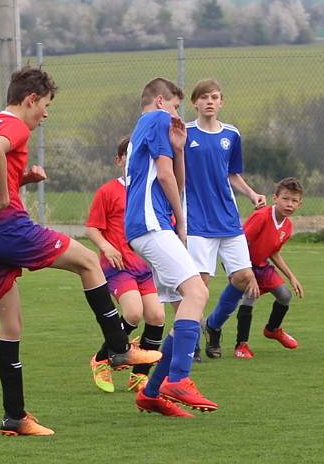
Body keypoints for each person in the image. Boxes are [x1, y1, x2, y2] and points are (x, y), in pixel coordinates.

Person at [0, 66, 161, 437]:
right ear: (30, 100)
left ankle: (14, 418)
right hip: (7, 228)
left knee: (10, 327)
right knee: (89, 262)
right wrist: (6, 199)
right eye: (46, 105)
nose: (46, 115)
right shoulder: (16, 126)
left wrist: (21, 179)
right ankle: (119, 350)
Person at [125, 77, 215, 418]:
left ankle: (151, 393)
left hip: (144, 226)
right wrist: (181, 223)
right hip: (153, 223)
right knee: (198, 293)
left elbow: (175, 177)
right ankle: (178, 379)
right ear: (161, 101)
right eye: (177, 106)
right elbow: (164, 178)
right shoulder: (157, 119)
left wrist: (179, 149)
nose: (178, 115)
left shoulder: (147, 126)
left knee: (187, 309)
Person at [182, 78, 265, 360]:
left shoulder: (232, 134)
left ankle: (214, 326)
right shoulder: (184, 133)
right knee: (198, 288)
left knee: (244, 278)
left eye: (214, 97)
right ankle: (190, 344)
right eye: (203, 97)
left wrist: (252, 194)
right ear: (194, 102)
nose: (209, 102)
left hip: (228, 220)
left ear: (221, 102)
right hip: (197, 222)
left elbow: (232, 173)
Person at [86, 136, 165, 395]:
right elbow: (92, 228)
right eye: (129, 157)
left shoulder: (152, 190)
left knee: (156, 316)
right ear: (119, 161)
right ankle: (100, 360)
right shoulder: (108, 191)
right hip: (117, 265)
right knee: (133, 313)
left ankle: (139, 376)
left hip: (144, 266)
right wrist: (107, 247)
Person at [232, 177, 305, 359]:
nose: (289, 204)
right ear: (275, 198)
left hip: (263, 266)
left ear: (300, 204)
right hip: (244, 265)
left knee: (285, 296)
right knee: (250, 298)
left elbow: (274, 252)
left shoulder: (287, 226)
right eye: (286, 199)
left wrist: (291, 277)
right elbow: (239, 244)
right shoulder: (262, 216)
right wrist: (247, 275)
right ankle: (241, 346)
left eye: (294, 201)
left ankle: (272, 330)